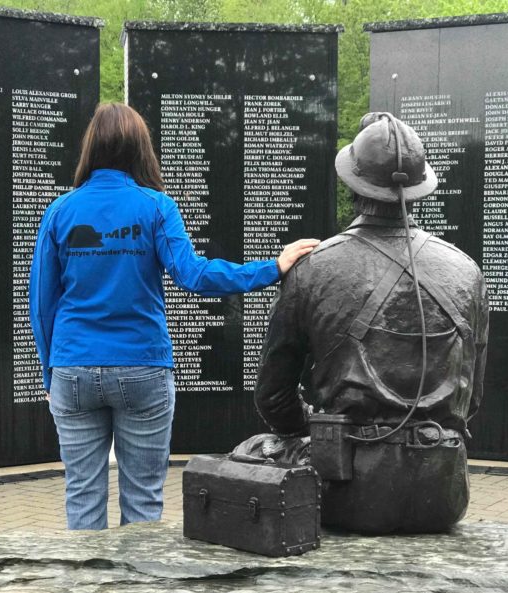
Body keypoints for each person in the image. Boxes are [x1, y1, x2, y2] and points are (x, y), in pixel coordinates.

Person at [29, 102, 319, 530]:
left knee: (82, 496)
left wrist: (48, 372)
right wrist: (272, 268)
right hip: (142, 368)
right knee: (144, 501)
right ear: (140, 148)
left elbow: (41, 302)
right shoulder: (155, 207)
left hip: (72, 369)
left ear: (91, 147)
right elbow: (195, 275)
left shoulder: (60, 211)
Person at [235, 112, 489, 534]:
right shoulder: (466, 272)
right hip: (442, 494)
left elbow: (273, 397)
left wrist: (317, 433)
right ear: (420, 188)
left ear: (351, 183)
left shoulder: (312, 269)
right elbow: (472, 399)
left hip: (343, 493)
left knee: (251, 454)